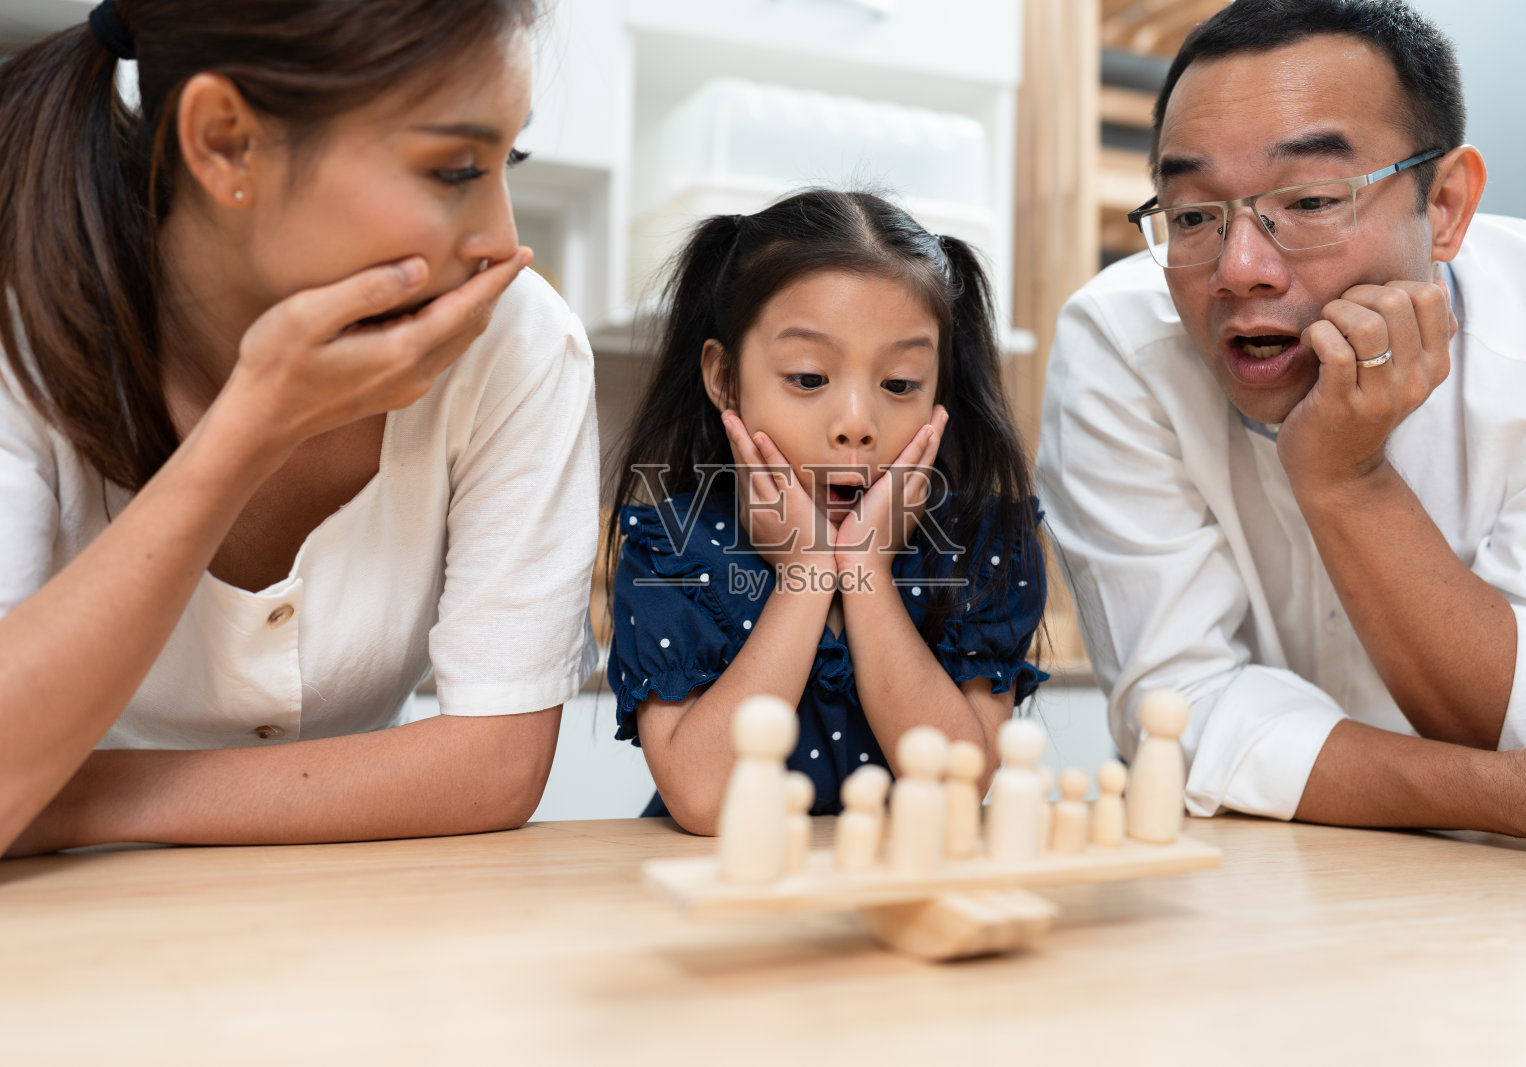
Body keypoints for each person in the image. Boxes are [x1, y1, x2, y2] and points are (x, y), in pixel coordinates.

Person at [0, 0, 600, 857]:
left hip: (344, 927)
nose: (503, 240)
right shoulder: (20, 326)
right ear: (226, 142)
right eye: (456, 168)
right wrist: (250, 430)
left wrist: (65, 797)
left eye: (513, 157)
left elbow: (496, 762)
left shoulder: (518, 340)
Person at [1039, 0, 1526, 851]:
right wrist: (1516, 792)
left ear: (1444, 205)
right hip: (1265, 891)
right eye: (1192, 215)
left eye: (1306, 200)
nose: (1239, 269)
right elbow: (1179, 714)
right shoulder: (1121, 342)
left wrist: (1346, 478)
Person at [606, 190, 1048, 834]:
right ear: (724, 378)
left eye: (900, 384)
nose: (856, 425)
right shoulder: (674, 547)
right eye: (809, 378)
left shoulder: (980, 544)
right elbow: (702, 800)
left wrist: (864, 568)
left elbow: (958, 786)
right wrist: (807, 570)